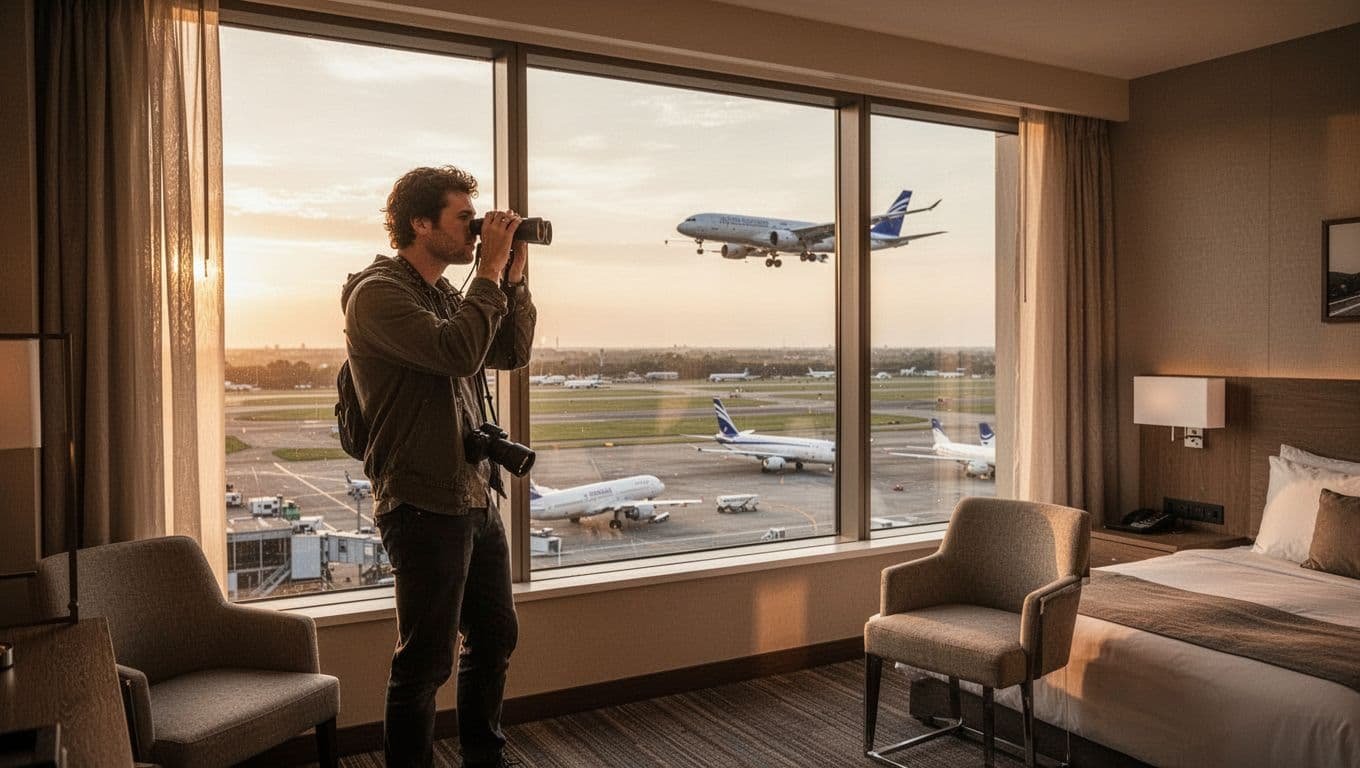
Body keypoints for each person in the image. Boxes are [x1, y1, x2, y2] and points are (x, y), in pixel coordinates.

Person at [341, 166, 536, 768]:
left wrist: (514, 282)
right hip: (422, 500)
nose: (477, 233)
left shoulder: (445, 294)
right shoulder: (377, 293)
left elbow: (508, 351)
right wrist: (487, 274)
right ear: (420, 224)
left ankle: (485, 757)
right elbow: (455, 353)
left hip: (472, 492)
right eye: (464, 219)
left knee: (495, 636)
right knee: (425, 661)